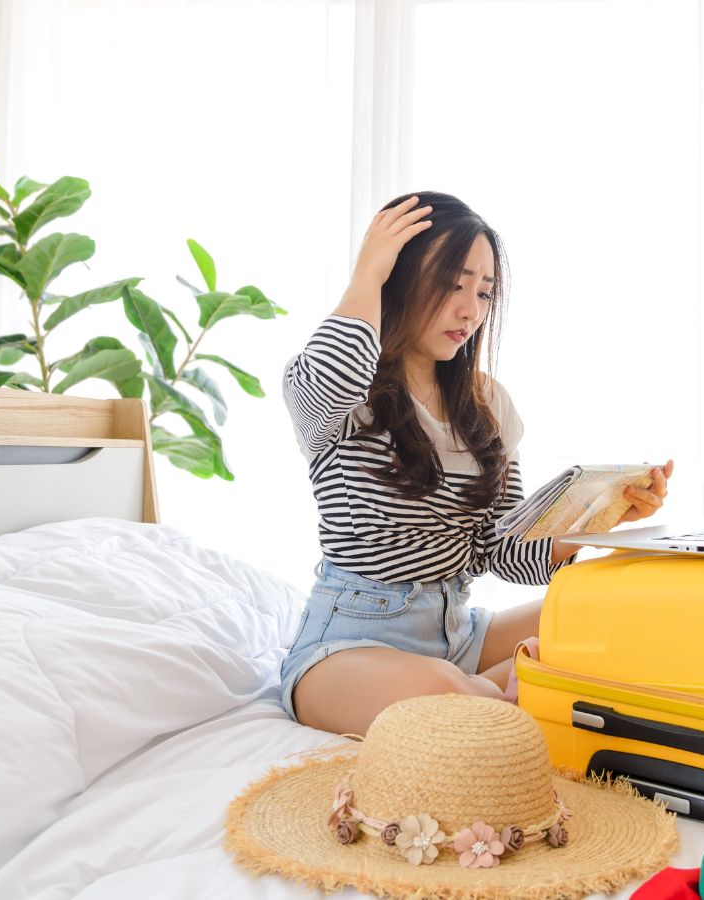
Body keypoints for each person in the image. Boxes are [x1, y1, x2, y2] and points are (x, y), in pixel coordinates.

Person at [278, 191, 673, 735]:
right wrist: (368, 273)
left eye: (484, 292)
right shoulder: (341, 396)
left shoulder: (487, 403)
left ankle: (501, 691)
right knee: (447, 694)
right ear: (397, 276)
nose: (470, 310)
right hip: (350, 643)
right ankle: (512, 692)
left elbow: (500, 550)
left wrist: (594, 518)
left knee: (616, 612)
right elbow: (337, 367)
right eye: (451, 285)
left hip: (458, 633)